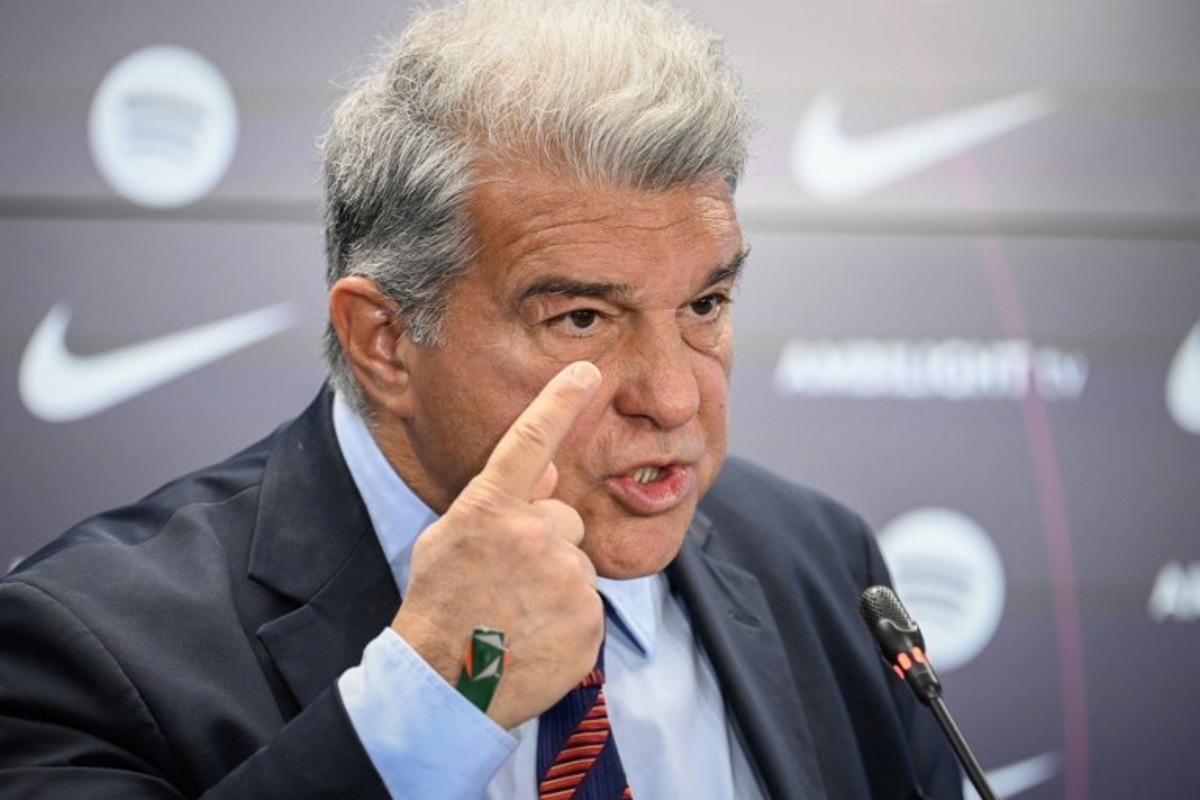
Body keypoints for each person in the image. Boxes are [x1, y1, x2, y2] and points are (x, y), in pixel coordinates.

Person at [0, 0, 961, 797]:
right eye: (582, 318)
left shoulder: (819, 562)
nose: (673, 398)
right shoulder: (84, 649)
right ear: (383, 341)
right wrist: (436, 694)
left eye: (704, 305)